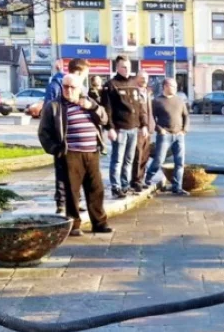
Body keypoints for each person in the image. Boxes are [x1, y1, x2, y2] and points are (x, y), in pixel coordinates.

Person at [39, 73, 113, 236]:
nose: (68, 90)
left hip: (92, 152)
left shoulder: (88, 102)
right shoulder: (54, 106)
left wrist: (92, 107)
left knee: (96, 189)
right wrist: (56, 150)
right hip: (70, 153)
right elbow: (43, 133)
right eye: (65, 86)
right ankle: (74, 225)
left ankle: (99, 223)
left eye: (72, 87)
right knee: (72, 192)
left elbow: (105, 119)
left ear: (79, 88)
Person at [45, 58, 90, 214]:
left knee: (79, 174)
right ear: (78, 72)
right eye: (85, 74)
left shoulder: (82, 89)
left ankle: (76, 201)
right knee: (62, 172)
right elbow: (48, 110)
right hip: (62, 138)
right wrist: (53, 144)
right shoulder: (56, 85)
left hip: (79, 142)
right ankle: (62, 203)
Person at [101, 55, 147, 198]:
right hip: (119, 129)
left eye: (129, 67)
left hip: (133, 128)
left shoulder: (134, 83)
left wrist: (144, 125)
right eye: (123, 67)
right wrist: (109, 128)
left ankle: (125, 185)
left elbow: (139, 106)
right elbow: (107, 109)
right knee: (118, 159)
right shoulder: (111, 85)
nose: (127, 70)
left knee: (129, 159)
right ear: (117, 67)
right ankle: (116, 187)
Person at [144, 77, 190, 196]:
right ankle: (148, 177)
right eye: (172, 86)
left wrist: (184, 130)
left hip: (179, 135)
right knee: (159, 160)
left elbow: (186, 116)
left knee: (179, 162)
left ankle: (177, 187)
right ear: (165, 86)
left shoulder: (179, 100)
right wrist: (159, 129)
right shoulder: (157, 101)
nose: (175, 88)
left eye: (175, 86)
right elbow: (151, 118)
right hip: (165, 135)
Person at [129, 71, 154, 192]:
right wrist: (141, 126)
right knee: (137, 155)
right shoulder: (133, 91)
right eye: (142, 77)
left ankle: (141, 179)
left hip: (148, 128)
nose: (144, 80)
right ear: (136, 78)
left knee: (145, 156)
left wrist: (151, 126)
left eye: (146, 78)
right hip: (138, 128)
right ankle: (135, 181)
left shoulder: (148, 92)